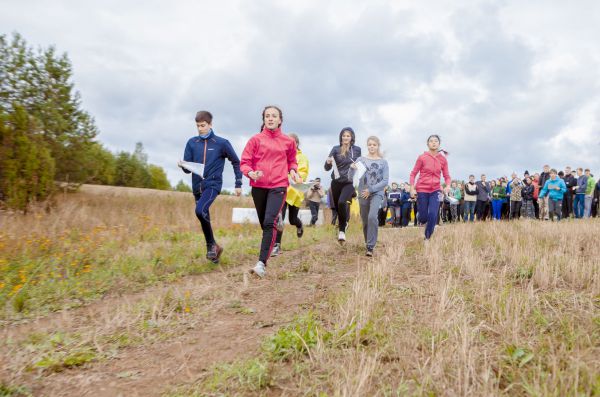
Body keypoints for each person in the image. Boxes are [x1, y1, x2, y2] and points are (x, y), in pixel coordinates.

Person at [241, 106, 300, 278]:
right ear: (264, 119)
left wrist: (294, 171)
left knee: (268, 223)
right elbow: (245, 162)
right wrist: (250, 173)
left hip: (278, 186)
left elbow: (292, 161)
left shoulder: (288, 142)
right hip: (258, 186)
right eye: (267, 116)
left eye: (274, 116)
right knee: (264, 224)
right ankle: (276, 221)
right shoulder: (255, 140)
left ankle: (261, 264)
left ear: (280, 120)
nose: (271, 118)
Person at [179, 110, 242, 264]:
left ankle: (210, 246)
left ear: (210, 124)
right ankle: (214, 249)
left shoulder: (221, 143)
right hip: (197, 187)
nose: (200, 129)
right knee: (202, 215)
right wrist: (183, 165)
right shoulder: (191, 143)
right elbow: (188, 169)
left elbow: (236, 161)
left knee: (200, 210)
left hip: (213, 185)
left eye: (203, 125)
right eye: (198, 126)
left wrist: (238, 183)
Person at [272, 133, 309, 257]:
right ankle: (277, 245)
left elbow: (302, 174)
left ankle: (299, 225)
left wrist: (292, 177)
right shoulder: (282, 154)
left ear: (296, 144)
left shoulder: (302, 157)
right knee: (279, 218)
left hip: (295, 193)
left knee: (292, 220)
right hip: (282, 190)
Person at [409, 135, 451, 240]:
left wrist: (448, 185)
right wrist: (412, 188)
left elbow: (447, 176)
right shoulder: (422, 157)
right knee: (423, 217)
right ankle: (421, 219)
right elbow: (413, 174)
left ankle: (427, 237)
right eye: (431, 141)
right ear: (428, 144)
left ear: (439, 144)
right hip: (422, 189)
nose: (433, 143)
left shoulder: (443, 159)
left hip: (436, 190)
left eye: (436, 141)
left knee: (433, 214)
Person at [325, 128, 362, 243]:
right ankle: (344, 222)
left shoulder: (357, 150)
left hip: (348, 182)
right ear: (341, 137)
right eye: (344, 136)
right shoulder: (335, 149)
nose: (345, 138)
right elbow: (326, 168)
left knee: (342, 202)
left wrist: (357, 166)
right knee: (337, 207)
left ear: (352, 137)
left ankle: (342, 230)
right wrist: (328, 162)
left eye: (348, 136)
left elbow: (360, 166)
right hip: (335, 182)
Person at [356, 136, 389, 256]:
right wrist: (351, 168)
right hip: (363, 193)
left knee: (371, 217)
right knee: (365, 221)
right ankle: (367, 243)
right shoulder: (361, 159)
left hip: (377, 193)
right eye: (369, 144)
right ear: (367, 146)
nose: (372, 147)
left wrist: (371, 189)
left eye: (374, 145)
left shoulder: (383, 162)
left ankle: (370, 246)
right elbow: (352, 175)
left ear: (378, 146)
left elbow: (385, 181)